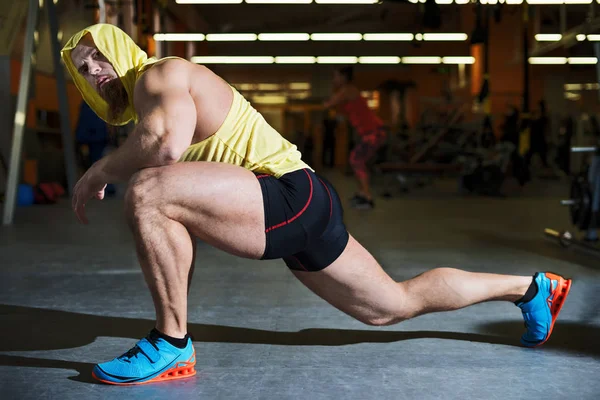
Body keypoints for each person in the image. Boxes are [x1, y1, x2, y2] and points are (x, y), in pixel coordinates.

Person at [61, 24, 572, 386]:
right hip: (306, 199)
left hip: (285, 193)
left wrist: (99, 171)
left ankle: (170, 344)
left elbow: (165, 147)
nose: (96, 71)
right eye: (84, 70)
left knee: (148, 189)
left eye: (99, 56)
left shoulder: (159, 74)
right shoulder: (150, 101)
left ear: (120, 48)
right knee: (390, 305)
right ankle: (531, 289)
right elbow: (176, 193)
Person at [323, 66, 387, 209]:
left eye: (336, 76)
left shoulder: (348, 90)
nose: (334, 80)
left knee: (356, 159)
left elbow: (329, 104)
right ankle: (362, 193)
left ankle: (367, 196)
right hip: (370, 133)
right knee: (358, 161)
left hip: (374, 133)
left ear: (343, 77)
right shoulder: (348, 92)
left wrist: (326, 104)